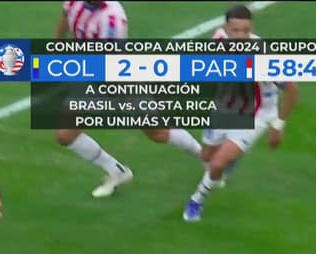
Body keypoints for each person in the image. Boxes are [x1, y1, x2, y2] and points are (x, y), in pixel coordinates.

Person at [53, 1, 204, 198]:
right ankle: (117, 171)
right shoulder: (74, 3)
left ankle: (205, 156)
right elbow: (65, 18)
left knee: (157, 131)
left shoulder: (112, 17)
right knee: (65, 134)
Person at [182, 5, 300, 222]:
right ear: (226, 29)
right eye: (235, 31)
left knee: (217, 164)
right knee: (207, 157)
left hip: (257, 114)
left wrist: (278, 125)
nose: (241, 37)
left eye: (245, 31)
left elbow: (292, 89)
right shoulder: (218, 41)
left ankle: (197, 200)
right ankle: (230, 159)